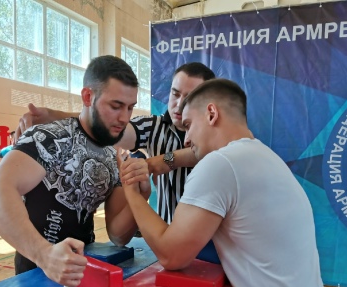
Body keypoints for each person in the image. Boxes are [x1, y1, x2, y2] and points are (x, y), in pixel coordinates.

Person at [119, 78, 334, 287]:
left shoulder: (221, 164)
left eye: (188, 125)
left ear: (211, 113)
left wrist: (132, 191)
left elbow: (172, 255)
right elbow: (190, 155)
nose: (186, 138)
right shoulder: (261, 155)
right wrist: (154, 164)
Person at [0, 55, 150, 287]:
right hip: (38, 269)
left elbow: (118, 233)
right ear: (88, 96)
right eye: (116, 106)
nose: (124, 118)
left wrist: (138, 193)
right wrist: (44, 254)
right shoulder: (49, 138)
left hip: (87, 266)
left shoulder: (114, 152)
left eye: (130, 108)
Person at [15, 62, 215, 223]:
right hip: (169, 237)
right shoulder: (153, 127)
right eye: (175, 94)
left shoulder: (218, 132)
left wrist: (158, 162)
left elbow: (207, 151)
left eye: (190, 97)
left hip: (215, 244)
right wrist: (52, 115)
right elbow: (105, 124)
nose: (179, 104)